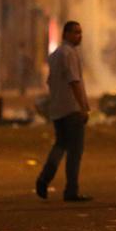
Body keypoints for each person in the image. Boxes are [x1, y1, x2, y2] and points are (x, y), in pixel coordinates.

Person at [36, 21, 92, 202]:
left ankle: (44, 179)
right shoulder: (70, 54)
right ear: (66, 34)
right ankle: (71, 190)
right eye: (75, 32)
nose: (79, 36)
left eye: (80, 32)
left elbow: (51, 81)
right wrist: (83, 107)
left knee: (60, 145)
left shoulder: (56, 54)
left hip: (58, 108)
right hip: (72, 109)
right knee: (75, 151)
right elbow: (74, 82)